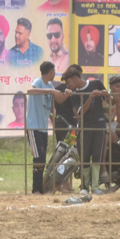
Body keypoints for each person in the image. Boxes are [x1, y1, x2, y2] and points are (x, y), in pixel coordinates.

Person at [26, 61, 71, 193]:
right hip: (34, 126)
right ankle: (36, 189)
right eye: (54, 71)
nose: (54, 73)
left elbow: (58, 101)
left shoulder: (50, 85)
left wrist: (66, 95)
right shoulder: (39, 82)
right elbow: (30, 90)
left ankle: (41, 187)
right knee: (38, 157)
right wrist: (50, 91)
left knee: (43, 157)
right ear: (50, 72)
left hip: (43, 128)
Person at [76, 71, 110, 192]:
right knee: (84, 156)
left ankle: (95, 186)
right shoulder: (74, 93)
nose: (68, 86)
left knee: (97, 156)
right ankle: (84, 186)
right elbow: (81, 112)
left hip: (100, 125)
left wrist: (105, 94)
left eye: (69, 82)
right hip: (85, 127)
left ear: (75, 78)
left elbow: (109, 100)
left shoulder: (97, 83)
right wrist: (91, 97)